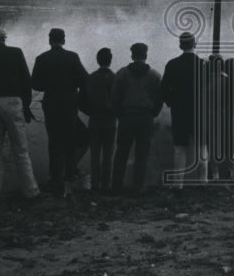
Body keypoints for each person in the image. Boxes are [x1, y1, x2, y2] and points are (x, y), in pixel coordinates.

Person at [0, 27, 40, 202]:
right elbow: (26, 81)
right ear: (4, 39)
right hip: (13, 102)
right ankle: (30, 191)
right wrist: (26, 107)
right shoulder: (16, 53)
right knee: (20, 149)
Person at [31, 28, 90, 196]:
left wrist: (50, 85)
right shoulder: (72, 57)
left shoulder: (41, 58)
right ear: (63, 40)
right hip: (69, 102)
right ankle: (69, 174)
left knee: (54, 140)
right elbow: (85, 80)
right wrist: (78, 95)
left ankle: (55, 177)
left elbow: (35, 84)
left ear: (50, 41)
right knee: (74, 138)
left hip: (51, 103)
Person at [110, 42, 163, 196]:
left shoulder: (121, 74)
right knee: (142, 153)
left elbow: (114, 98)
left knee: (121, 152)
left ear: (132, 55)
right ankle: (137, 186)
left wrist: (120, 114)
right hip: (145, 118)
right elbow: (160, 99)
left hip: (127, 117)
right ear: (145, 56)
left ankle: (116, 186)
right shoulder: (154, 75)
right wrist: (153, 113)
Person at [161, 32, 209, 187]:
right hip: (199, 112)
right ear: (194, 44)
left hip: (180, 111)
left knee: (180, 149)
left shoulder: (172, 64)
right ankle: (203, 181)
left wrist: (172, 102)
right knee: (201, 148)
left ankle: (178, 184)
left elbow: (164, 89)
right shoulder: (203, 64)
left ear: (180, 45)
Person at [84, 48, 117, 194]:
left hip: (95, 119)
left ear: (98, 60)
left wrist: (90, 111)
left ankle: (95, 184)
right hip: (110, 121)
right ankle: (106, 185)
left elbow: (81, 100)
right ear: (110, 60)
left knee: (95, 155)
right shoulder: (116, 78)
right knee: (108, 155)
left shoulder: (91, 78)